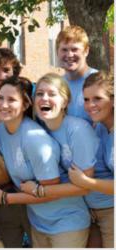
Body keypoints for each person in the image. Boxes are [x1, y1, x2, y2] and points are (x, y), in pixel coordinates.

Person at [0, 77, 91, 248]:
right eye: (1, 98)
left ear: (26, 104)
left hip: (67, 222)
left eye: (11, 100)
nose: (3, 105)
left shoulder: (36, 140)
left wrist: (4, 198)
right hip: (38, 223)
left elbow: (50, 193)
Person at [68, 71, 114, 248]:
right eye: (86, 99)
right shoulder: (100, 127)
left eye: (97, 98)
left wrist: (86, 181)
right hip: (92, 213)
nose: (90, 105)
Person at [56, 25, 98, 123]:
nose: (69, 55)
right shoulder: (55, 86)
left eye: (74, 49)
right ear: (57, 52)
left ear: (86, 51)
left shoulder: (100, 82)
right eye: (64, 50)